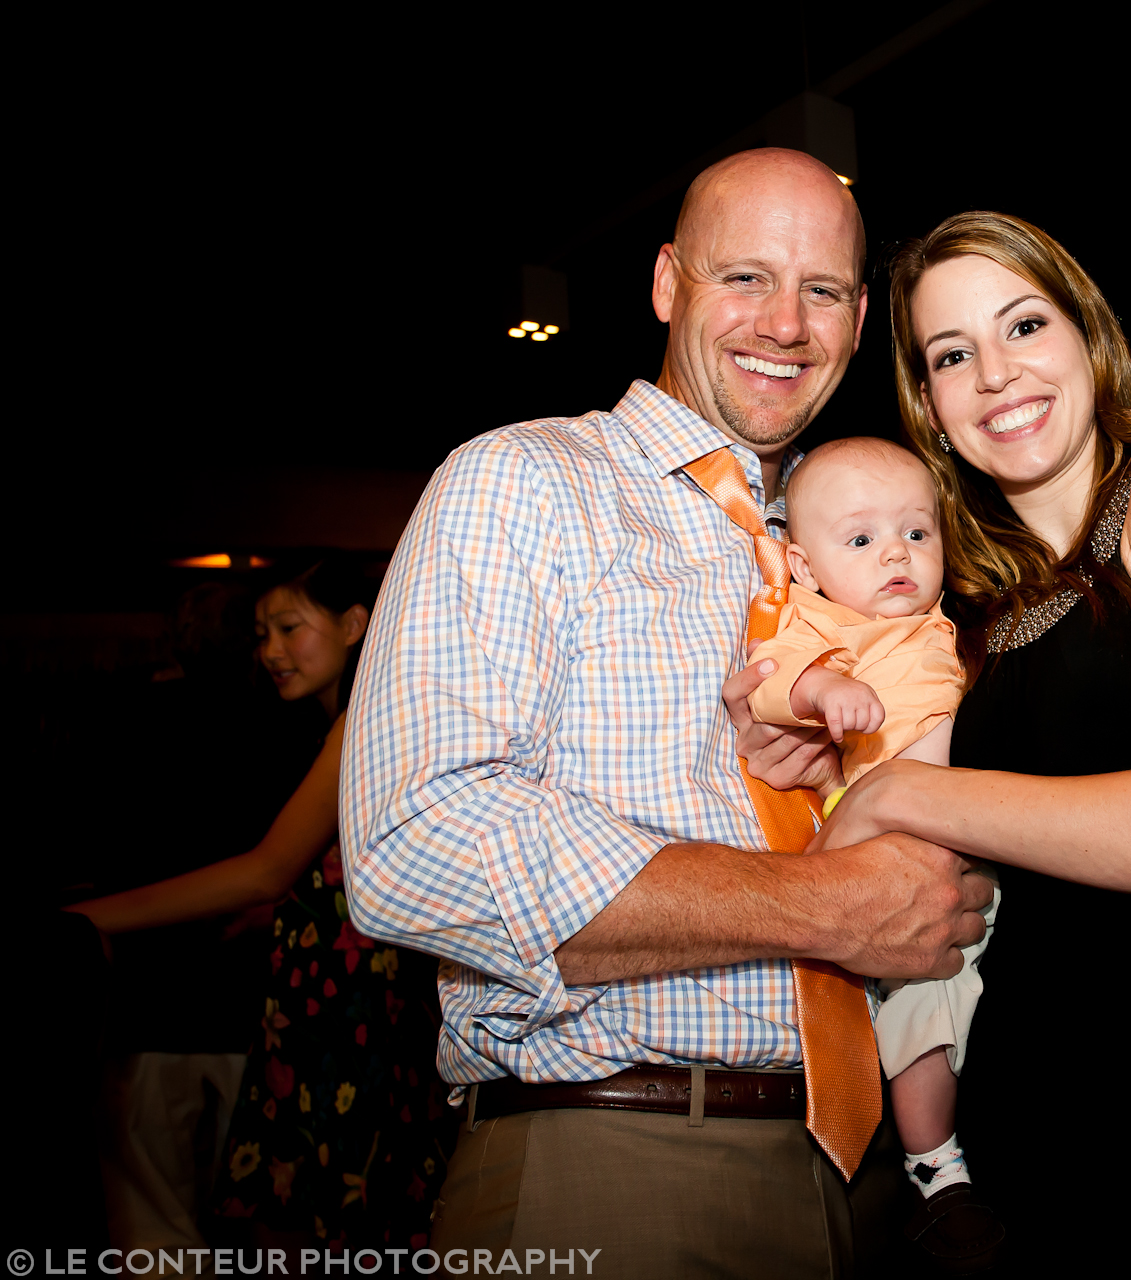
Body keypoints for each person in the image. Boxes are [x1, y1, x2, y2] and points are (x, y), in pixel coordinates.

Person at [340, 150, 996, 1277]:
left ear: (858, 318)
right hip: (614, 1152)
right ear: (665, 284)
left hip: (877, 1173)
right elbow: (414, 841)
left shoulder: (872, 528)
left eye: (823, 290)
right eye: (744, 277)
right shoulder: (526, 479)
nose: (784, 323)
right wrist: (825, 904)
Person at [740, 209, 1131, 1273]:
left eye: (1023, 325)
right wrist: (816, 748)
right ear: (929, 402)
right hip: (1007, 1146)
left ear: (1087, 333)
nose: (996, 373)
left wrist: (895, 798)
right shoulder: (968, 608)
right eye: (951, 354)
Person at [69, 557, 455, 1252]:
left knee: (326, 1227)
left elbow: (265, 872)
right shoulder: (337, 725)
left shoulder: (364, 722)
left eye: (289, 627)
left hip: (352, 1018)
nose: (271, 650)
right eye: (260, 633)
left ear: (354, 625)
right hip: (326, 1007)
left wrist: (85, 919)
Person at [741, 437, 997, 1243]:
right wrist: (823, 688)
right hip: (895, 858)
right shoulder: (822, 624)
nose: (896, 553)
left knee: (972, 998)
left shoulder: (945, 626)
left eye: (916, 532)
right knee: (925, 996)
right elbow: (771, 679)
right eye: (861, 539)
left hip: (978, 842)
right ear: (805, 566)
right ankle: (934, 1161)